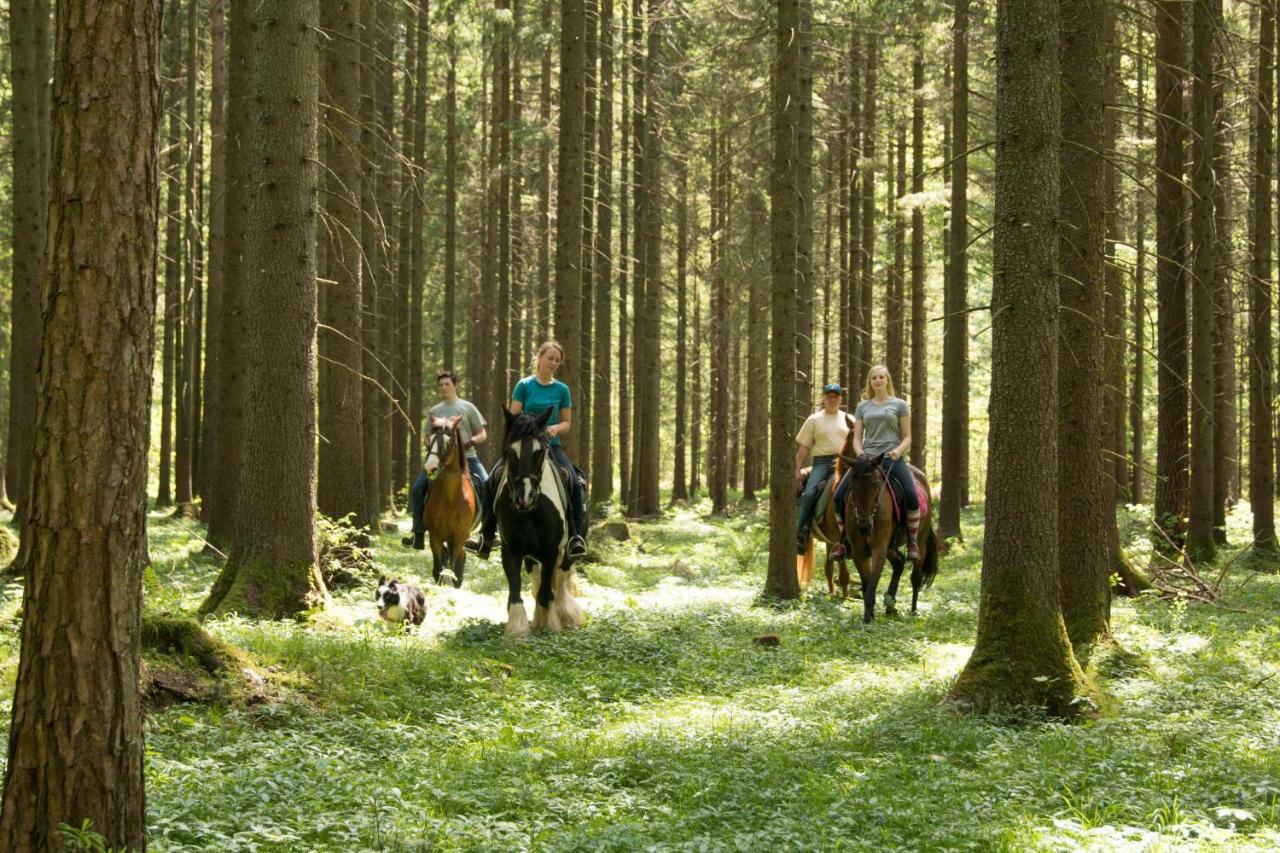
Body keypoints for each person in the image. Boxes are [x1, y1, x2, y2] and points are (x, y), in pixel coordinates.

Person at [468, 340, 588, 562]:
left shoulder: (562, 389)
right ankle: (486, 535)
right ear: (539, 358)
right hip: (523, 446)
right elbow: (512, 419)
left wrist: (554, 428)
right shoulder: (524, 385)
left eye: (557, 361)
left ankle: (576, 537)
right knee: (491, 479)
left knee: (573, 480)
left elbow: (567, 423)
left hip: (550, 445)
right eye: (550, 358)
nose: (553, 363)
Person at [833, 364, 921, 561]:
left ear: (887, 380)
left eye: (882, 377)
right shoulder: (862, 406)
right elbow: (857, 437)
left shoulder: (899, 404)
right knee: (838, 496)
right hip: (867, 461)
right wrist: (860, 454)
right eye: (875, 378)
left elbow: (907, 437)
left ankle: (912, 542)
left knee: (911, 495)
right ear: (870, 382)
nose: (878, 380)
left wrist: (898, 451)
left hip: (891, 457)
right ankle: (843, 541)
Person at [401, 371, 489, 550]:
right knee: (418, 488)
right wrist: (431, 445)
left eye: (447, 384)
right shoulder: (434, 411)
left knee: (488, 484)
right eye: (441, 385)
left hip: (468, 458)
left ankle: (486, 535)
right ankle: (418, 533)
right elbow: (427, 436)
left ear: (454, 385)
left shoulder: (467, 407)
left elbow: (482, 433)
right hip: (439, 462)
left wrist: (471, 441)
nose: (444, 387)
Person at [794, 383, 852, 554]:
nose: (832, 399)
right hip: (822, 463)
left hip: (846, 463)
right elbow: (804, 447)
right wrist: (797, 468)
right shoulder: (814, 419)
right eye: (829, 396)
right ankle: (801, 533)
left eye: (836, 396)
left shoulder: (850, 419)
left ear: (840, 399)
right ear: (824, 399)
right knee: (811, 492)